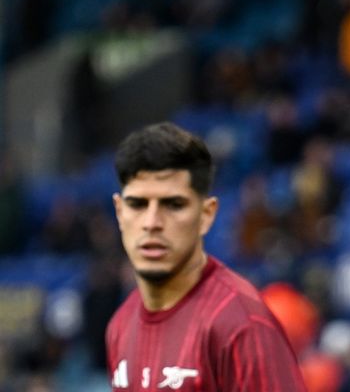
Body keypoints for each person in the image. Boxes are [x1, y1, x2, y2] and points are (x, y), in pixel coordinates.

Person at [106, 122, 306, 391]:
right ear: (119, 212)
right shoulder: (120, 325)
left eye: (173, 204)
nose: (151, 222)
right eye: (138, 204)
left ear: (206, 215)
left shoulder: (242, 323)